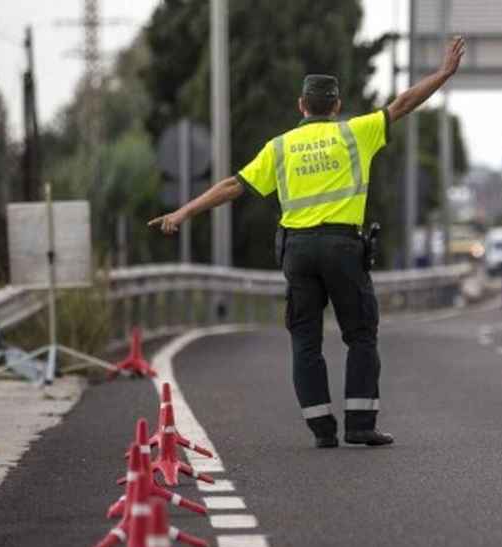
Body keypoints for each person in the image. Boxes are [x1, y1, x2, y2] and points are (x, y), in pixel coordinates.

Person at [149, 36, 467, 448]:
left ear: (301, 106)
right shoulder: (357, 133)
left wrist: (182, 212)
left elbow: (232, 185)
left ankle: (321, 429)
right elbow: (403, 103)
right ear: (336, 106)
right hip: (343, 249)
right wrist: (443, 73)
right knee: (360, 335)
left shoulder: (279, 147)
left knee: (305, 340)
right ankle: (359, 424)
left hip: (297, 252)